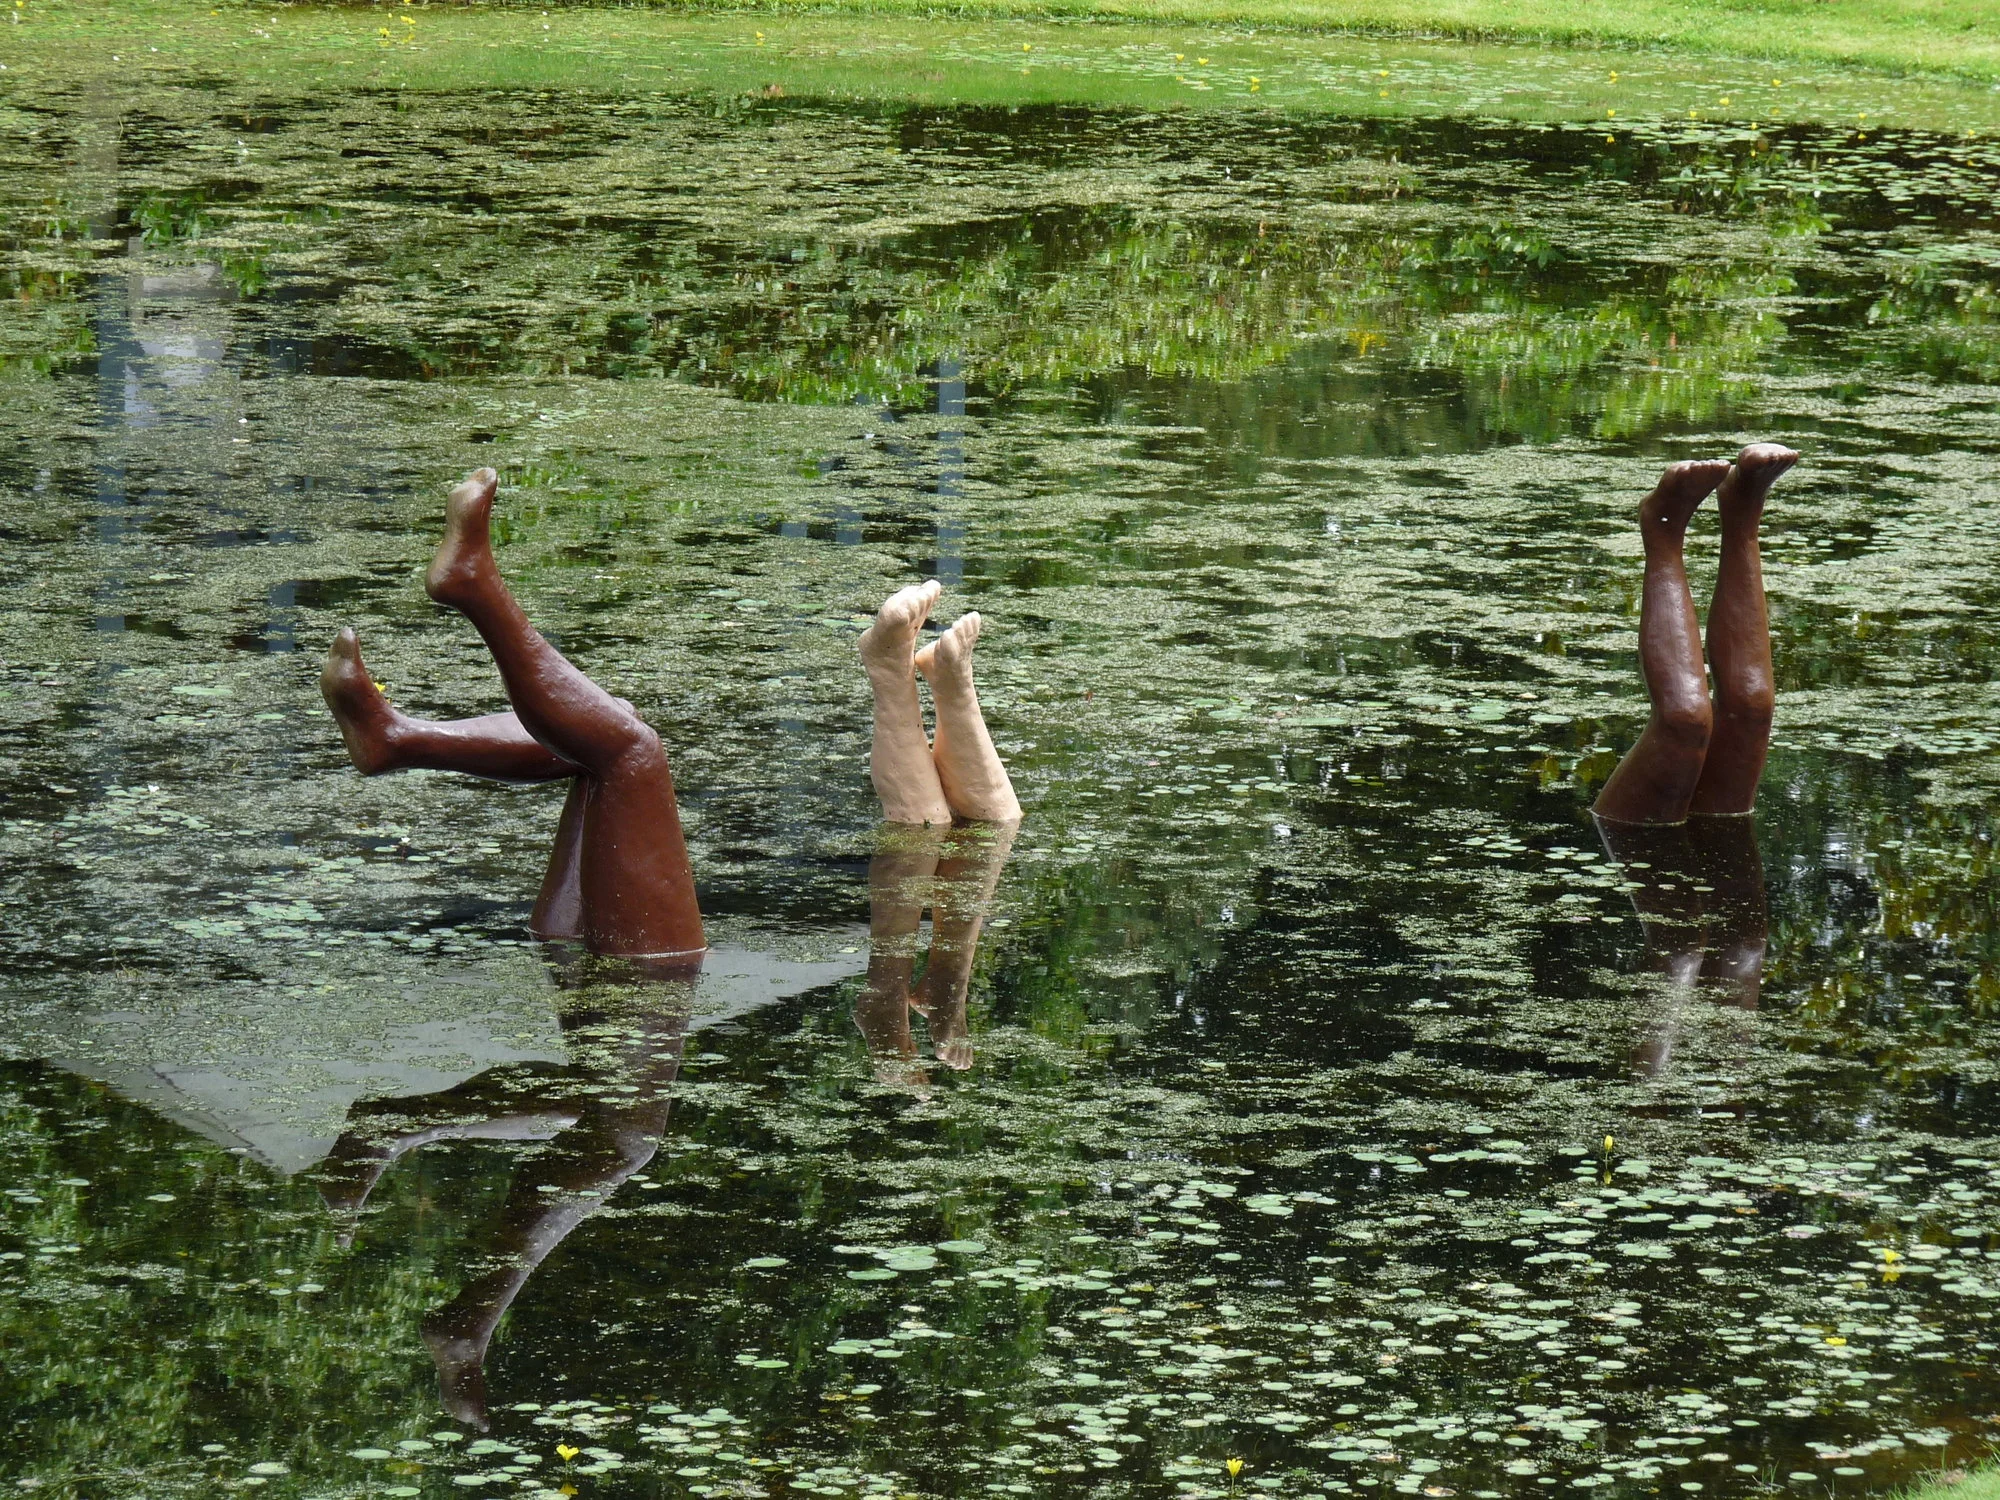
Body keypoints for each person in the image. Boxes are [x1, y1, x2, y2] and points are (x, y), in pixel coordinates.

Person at [322, 468, 703, 960]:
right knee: (609, 727)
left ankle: (477, 590)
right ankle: (396, 738)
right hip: (583, 971)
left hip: (656, 985)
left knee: (630, 751)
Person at [1593, 443, 1798, 826]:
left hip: (1635, 840)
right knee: (1751, 710)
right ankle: (1741, 515)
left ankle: (1664, 528)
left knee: (1684, 721)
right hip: (1725, 856)